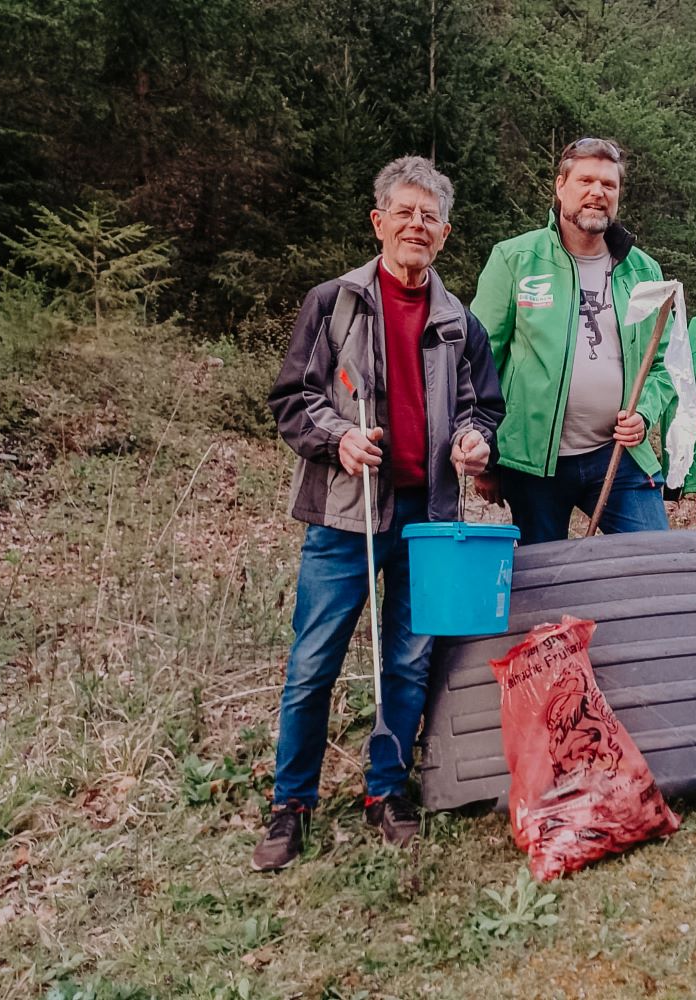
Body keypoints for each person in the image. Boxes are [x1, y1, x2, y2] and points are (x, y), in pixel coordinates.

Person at [254, 156, 505, 871]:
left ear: (445, 234)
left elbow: (484, 407)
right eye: (404, 212)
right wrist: (338, 437)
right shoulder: (332, 303)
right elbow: (293, 399)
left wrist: (474, 440)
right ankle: (291, 804)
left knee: (408, 662)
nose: (416, 225)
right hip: (345, 518)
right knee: (313, 664)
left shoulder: (461, 322)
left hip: (428, 519)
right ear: (378, 222)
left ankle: (386, 791)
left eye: (430, 217)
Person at [470, 137, 672, 545]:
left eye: (609, 184)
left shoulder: (643, 271)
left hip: (618, 455)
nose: (598, 192)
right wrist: (488, 458)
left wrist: (645, 414)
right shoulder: (515, 260)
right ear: (561, 186)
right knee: (545, 577)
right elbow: (479, 362)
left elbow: (664, 363)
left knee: (657, 559)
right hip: (534, 463)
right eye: (586, 181)